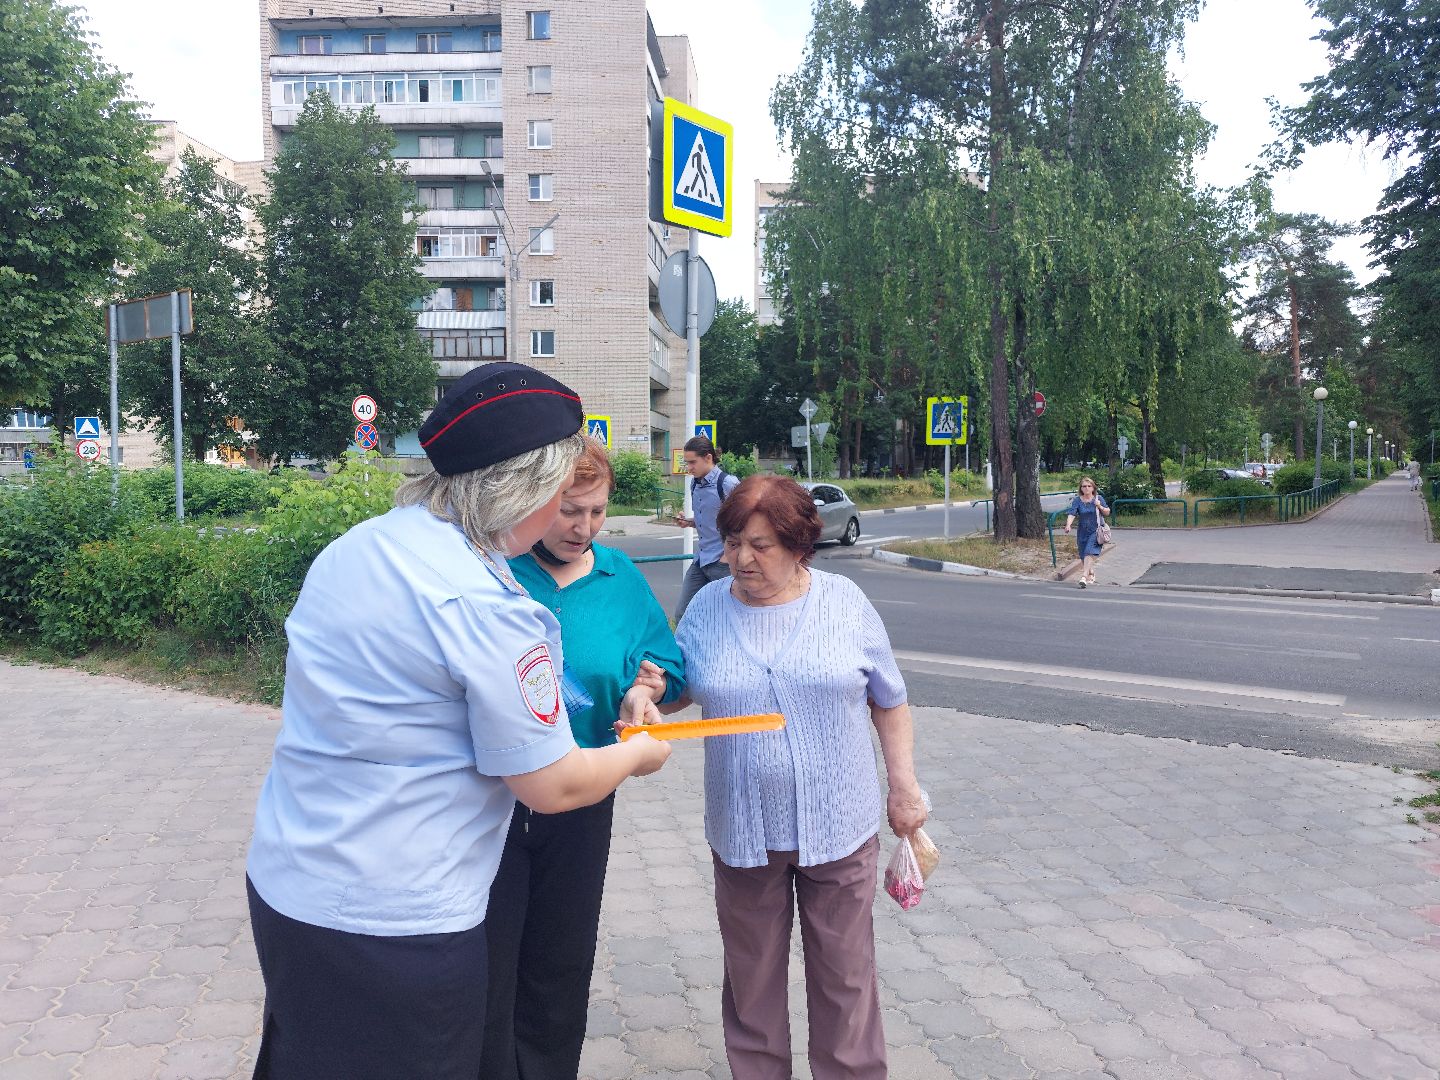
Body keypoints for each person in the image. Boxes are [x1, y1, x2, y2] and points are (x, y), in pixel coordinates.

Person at [244, 362, 672, 1080]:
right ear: (530, 489)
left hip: (290, 886)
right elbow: (554, 785)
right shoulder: (483, 607)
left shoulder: (363, 548)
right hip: (399, 923)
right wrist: (639, 754)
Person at [640, 473, 927, 1080]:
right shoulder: (706, 610)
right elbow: (678, 692)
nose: (741, 559)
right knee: (752, 982)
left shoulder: (844, 601)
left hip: (841, 827)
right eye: (734, 541)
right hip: (743, 831)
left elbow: (890, 701)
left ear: (800, 547)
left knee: (846, 980)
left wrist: (903, 788)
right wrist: (652, 689)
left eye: (761, 545)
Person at [481, 437, 685, 1080]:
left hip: (585, 792)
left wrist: (647, 688)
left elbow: (670, 665)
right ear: (535, 501)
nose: (583, 527)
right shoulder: (496, 567)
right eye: (569, 510)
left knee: (561, 957)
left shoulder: (619, 577)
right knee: (488, 954)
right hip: (493, 798)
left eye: (597, 511)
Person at [672, 435, 739, 621]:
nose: (689, 468)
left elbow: (747, 520)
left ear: (708, 458)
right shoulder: (695, 483)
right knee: (682, 614)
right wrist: (690, 522)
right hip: (701, 560)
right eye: (687, 462)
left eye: (692, 462)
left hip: (722, 562)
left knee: (728, 617)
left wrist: (728, 555)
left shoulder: (727, 483)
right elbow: (711, 520)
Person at [1063, 475, 1111, 588]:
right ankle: (1091, 572)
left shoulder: (1098, 499)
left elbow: (1107, 512)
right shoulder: (1077, 500)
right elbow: (1072, 513)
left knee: (1089, 551)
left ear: (1093, 488)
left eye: (1089, 486)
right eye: (1084, 486)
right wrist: (1068, 525)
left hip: (1095, 530)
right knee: (1083, 554)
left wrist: (1100, 506)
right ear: (1081, 488)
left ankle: (1084, 577)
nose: (1087, 488)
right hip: (1082, 531)